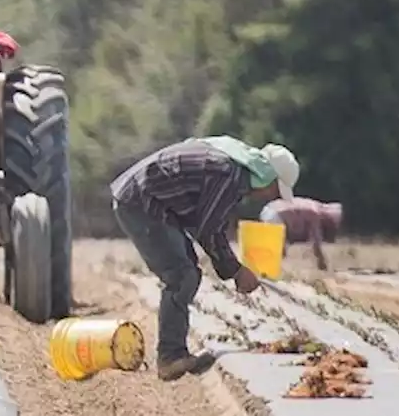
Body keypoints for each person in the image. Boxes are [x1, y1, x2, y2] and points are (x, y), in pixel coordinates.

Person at [111, 136, 299, 382]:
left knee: (188, 270)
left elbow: (206, 223)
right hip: (141, 203)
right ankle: (170, 357)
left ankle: (175, 352)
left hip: (154, 203)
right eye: (274, 189)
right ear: (267, 176)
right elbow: (208, 230)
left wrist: (231, 268)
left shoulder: (230, 162)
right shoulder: (226, 174)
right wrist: (236, 271)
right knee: (181, 275)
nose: (269, 196)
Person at [259, 197, 342, 270]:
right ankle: (273, 272)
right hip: (274, 215)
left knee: (274, 250)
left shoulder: (313, 205)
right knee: (279, 252)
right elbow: (316, 241)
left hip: (269, 210)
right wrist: (322, 262)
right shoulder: (314, 213)